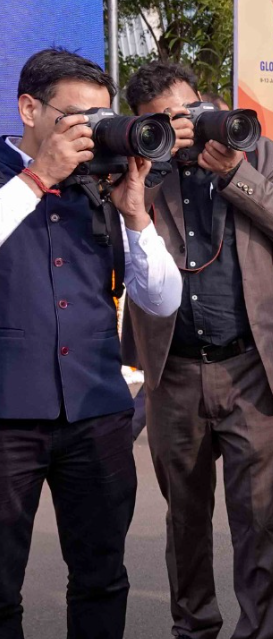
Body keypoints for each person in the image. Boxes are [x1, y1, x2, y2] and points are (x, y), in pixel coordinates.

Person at [120, 60, 273, 639]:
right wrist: (148, 166)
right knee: (185, 520)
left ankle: (261, 631)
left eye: (185, 113)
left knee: (260, 521)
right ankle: (194, 629)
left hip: (252, 367)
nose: (179, 128)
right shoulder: (139, 168)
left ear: (205, 103)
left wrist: (235, 172)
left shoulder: (262, 154)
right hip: (173, 372)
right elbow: (115, 222)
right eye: (162, 122)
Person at [0, 48, 182, 639]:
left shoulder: (102, 187)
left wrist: (136, 217)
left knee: (102, 578)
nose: (92, 131)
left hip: (96, 413)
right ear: (29, 109)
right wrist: (38, 177)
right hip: (8, 418)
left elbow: (162, 300)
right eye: (77, 117)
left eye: (101, 118)